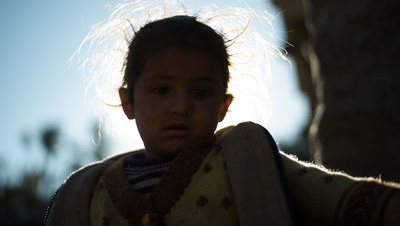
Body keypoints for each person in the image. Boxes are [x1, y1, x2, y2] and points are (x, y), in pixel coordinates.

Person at [45, 14, 400, 226]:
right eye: (161, 90)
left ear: (223, 107)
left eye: (201, 92)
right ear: (127, 101)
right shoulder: (88, 194)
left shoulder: (246, 161)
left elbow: (339, 198)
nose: (180, 106)